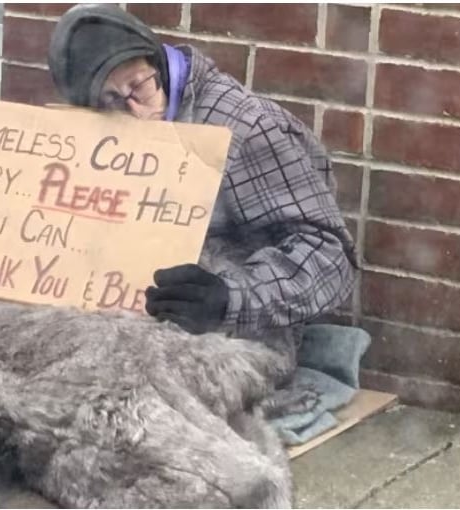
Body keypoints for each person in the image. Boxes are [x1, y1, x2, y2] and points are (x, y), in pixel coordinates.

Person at [48, 4, 357, 337]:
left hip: (236, 323)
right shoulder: (94, 131)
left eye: (139, 88)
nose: (136, 113)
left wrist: (229, 299)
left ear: (158, 65)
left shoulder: (242, 127)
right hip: (132, 308)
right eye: (112, 101)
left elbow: (332, 259)